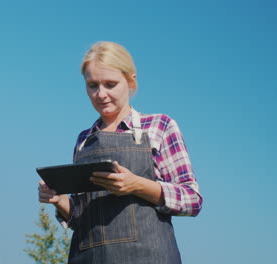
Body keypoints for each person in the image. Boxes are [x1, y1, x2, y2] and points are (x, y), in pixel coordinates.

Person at [38, 41, 202, 264]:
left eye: (110, 84)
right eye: (92, 85)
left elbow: (192, 200)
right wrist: (58, 200)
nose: (101, 94)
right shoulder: (84, 140)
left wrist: (136, 184)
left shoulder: (159, 127)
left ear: (131, 81)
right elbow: (82, 220)